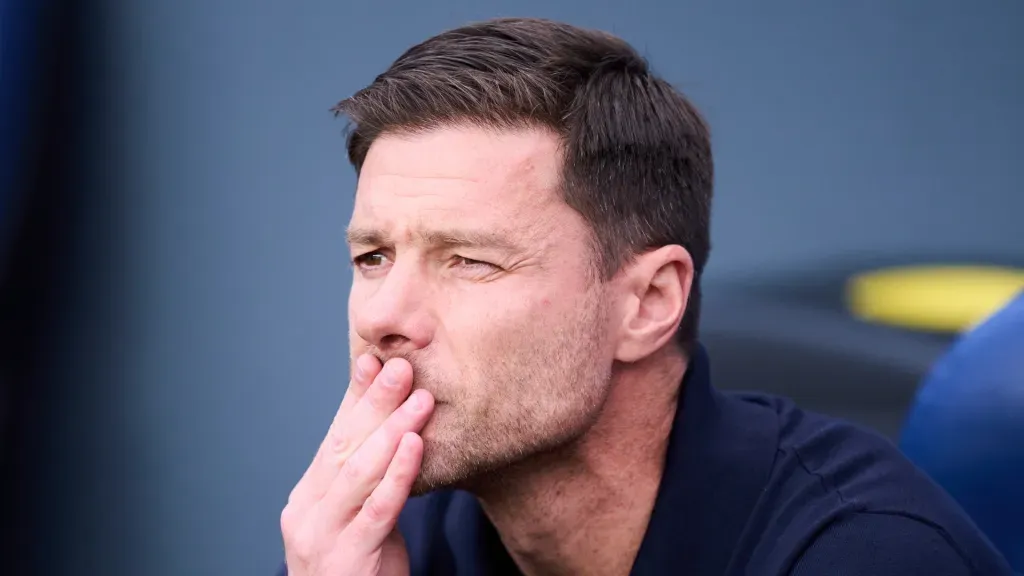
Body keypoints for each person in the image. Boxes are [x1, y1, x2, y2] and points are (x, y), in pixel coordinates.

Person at [276, 17, 1013, 576]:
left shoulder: (867, 552)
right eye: (372, 256)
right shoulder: (396, 539)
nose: (381, 318)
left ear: (650, 302)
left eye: (468, 261)